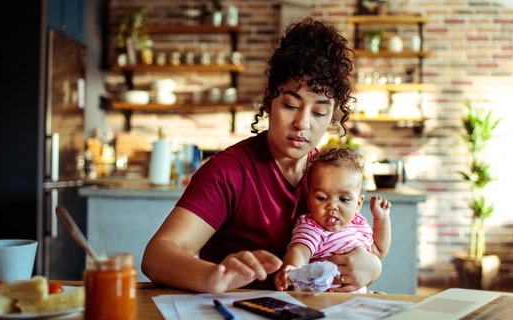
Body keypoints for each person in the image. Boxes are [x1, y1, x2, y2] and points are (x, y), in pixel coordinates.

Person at [142, 16, 383, 294]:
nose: (303, 124)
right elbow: (158, 256)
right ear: (269, 99)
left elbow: (353, 242)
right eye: (291, 106)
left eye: (318, 112)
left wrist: (372, 266)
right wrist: (215, 276)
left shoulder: (329, 174)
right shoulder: (229, 171)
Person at [274, 147, 391, 293]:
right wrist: (292, 268)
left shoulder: (358, 224)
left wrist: (381, 219)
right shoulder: (312, 226)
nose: (332, 206)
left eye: (344, 199)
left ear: (358, 204)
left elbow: (378, 251)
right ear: (309, 202)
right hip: (322, 299)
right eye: (322, 198)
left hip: (355, 302)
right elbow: (300, 251)